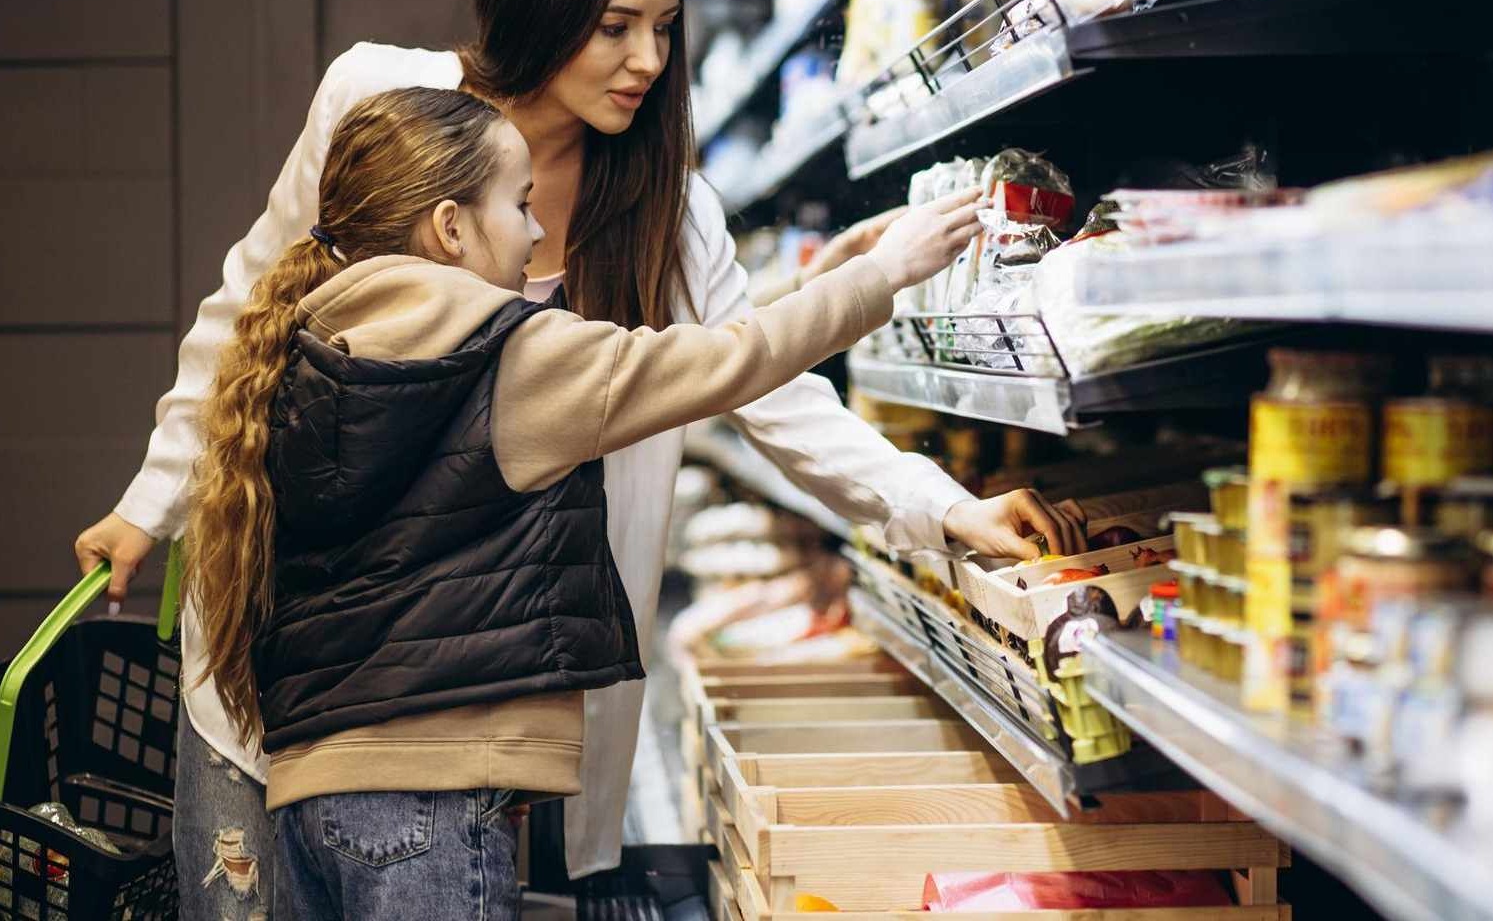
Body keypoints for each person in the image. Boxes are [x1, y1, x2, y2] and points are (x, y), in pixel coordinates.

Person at [71, 0, 1082, 919]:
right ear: (541, 6)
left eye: (665, 29)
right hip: (282, 664)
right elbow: (251, 309)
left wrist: (948, 509)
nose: (648, 60)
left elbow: (773, 399)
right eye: (614, 26)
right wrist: (153, 502)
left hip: (477, 700)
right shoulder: (378, 101)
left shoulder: (663, 209)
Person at [185, 84, 982, 918]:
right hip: (432, 809)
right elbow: (729, 362)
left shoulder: (297, 356)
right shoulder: (514, 359)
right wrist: (884, 273)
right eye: (519, 203)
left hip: (311, 802)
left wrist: (826, 276)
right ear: (450, 226)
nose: (536, 231)